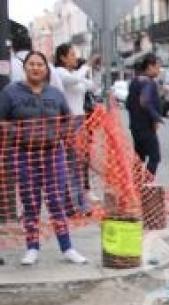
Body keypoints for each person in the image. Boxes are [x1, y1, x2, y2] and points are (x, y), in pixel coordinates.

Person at [0, 51, 87, 265]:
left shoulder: (55, 94)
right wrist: (17, 133)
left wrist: (65, 134)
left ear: (46, 69)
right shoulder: (10, 93)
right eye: (31, 64)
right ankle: (32, 248)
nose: (36, 68)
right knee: (30, 203)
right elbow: (1, 121)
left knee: (57, 200)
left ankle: (67, 248)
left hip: (52, 154)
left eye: (40, 64)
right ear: (25, 68)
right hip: (23, 155)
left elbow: (68, 119)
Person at [54, 43, 96, 215]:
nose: (75, 57)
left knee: (78, 164)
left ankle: (79, 203)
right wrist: (87, 66)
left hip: (80, 121)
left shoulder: (75, 74)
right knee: (70, 164)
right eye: (72, 54)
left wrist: (89, 70)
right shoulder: (60, 73)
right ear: (63, 57)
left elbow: (91, 86)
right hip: (69, 121)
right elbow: (75, 80)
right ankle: (70, 204)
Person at [126, 53, 163, 176]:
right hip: (146, 127)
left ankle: (136, 185)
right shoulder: (148, 82)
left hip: (135, 126)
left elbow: (128, 104)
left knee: (139, 158)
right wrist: (156, 118)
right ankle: (146, 186)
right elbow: (145, 101)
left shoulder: (135, 81)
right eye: (157, 67)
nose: (159, 70)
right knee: (155, 157)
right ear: (150, 67)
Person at [9, 22, 65, 93]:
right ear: (31, 47)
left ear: (13, 48)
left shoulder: (9, 65)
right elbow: (60, 91)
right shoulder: (47, 65)